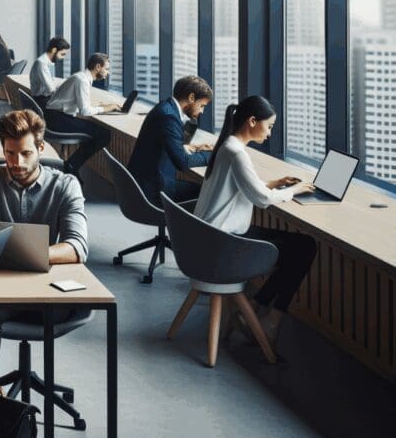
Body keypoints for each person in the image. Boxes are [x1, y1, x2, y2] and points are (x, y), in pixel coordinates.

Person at [0, 110, 89, 351]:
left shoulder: (66, 185)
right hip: (0, 291)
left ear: (41, 148)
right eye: (10, 153)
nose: (17, 163)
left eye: (26, 153)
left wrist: (8, 250)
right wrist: (29, 252)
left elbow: (77, 247)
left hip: (48, 291)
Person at [194, 96, 317, 347]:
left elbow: (245, 187)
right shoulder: (236, 152)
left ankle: (255, 307)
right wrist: (295, 190)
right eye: (269, 126)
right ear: (252, 121)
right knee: (305, 248)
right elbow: (261, 199)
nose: (270, 133)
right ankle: (269, 321)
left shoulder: (227, 146)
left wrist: (276, 182)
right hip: (221, 245)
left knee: (298, 246)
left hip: (210, 238)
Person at [127, 75, 215, 205]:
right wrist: (214, 155)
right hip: (151, 191)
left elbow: (164, 143)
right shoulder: (169, 117)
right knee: (208, 194)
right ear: (191, 98)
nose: (202, 111)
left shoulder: (165, 107)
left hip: (142, 182)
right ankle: (187, 226)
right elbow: (183, 163)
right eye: (202, 105)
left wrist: (193, 148)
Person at [43, 53, 114, 175]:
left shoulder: (81, 77)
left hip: (54, 115)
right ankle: (71, 165)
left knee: (95, 131)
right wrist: (106, 109)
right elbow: (85, 111)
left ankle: (72, 164)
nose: (108, 73)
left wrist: (101, 107)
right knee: (104, 134)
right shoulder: (82, 80)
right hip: (57, 120)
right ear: (97, 67)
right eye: (106, 69)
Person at [29, 37, 70, 107]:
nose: (63, 57)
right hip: (42, 101)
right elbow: (51, 89)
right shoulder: (42, 63)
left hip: (44, 99)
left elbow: (52, 81)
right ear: (54, 50)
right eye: (62, 54)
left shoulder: (46, 62)